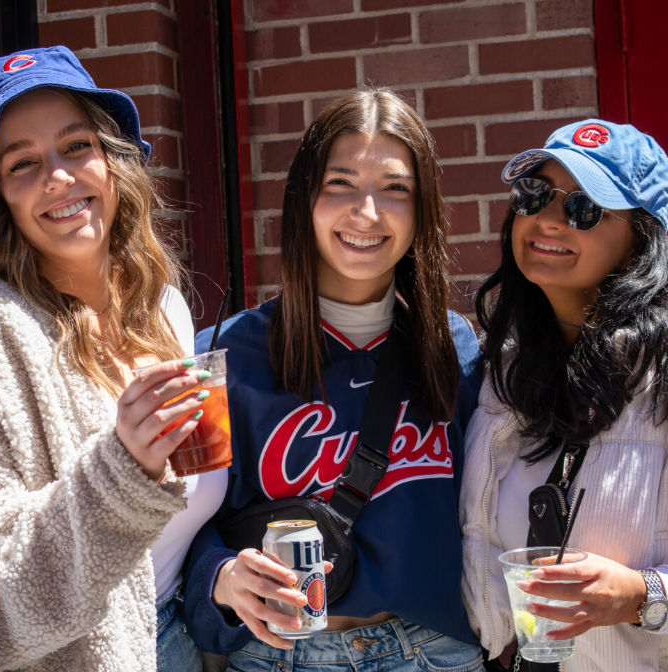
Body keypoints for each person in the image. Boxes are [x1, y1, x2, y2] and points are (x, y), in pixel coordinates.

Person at [181, 88, 484, 672]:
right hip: (282, 657)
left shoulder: (456, 348)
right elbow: (177, 532)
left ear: (423, 210)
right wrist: (221, 576)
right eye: (340, 184)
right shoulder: (217, 355)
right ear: (304, 201)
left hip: (434, 653)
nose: (365, 213)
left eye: (395, 188)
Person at [0, 46, 226, 672]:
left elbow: (189, 508)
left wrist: (224, 575)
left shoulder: (165, 307)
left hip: (187, 638)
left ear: (110, 162)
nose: (59, 177)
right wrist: (123, 465)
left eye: (76, 146)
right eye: (23, 162)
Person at [460, 119, 668, 670]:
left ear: (640, 240)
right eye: (535, 194)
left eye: (585, 208)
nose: (547, 219)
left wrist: (643, 597)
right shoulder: (505, 372)